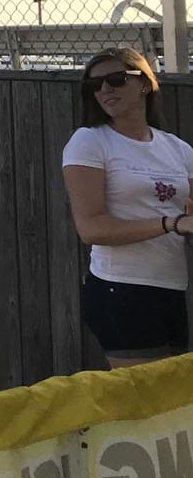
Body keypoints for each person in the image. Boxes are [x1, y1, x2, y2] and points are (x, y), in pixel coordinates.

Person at [62, 47, 193, 367]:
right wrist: (170, 224)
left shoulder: (177, 148)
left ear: (145, 84)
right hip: (119, 290)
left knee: (169, 403)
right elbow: (90, 228)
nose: (105, 90)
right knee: (141, 406)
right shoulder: (89, 141)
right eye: (95, 85)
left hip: (171, 289)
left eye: (116, 80)